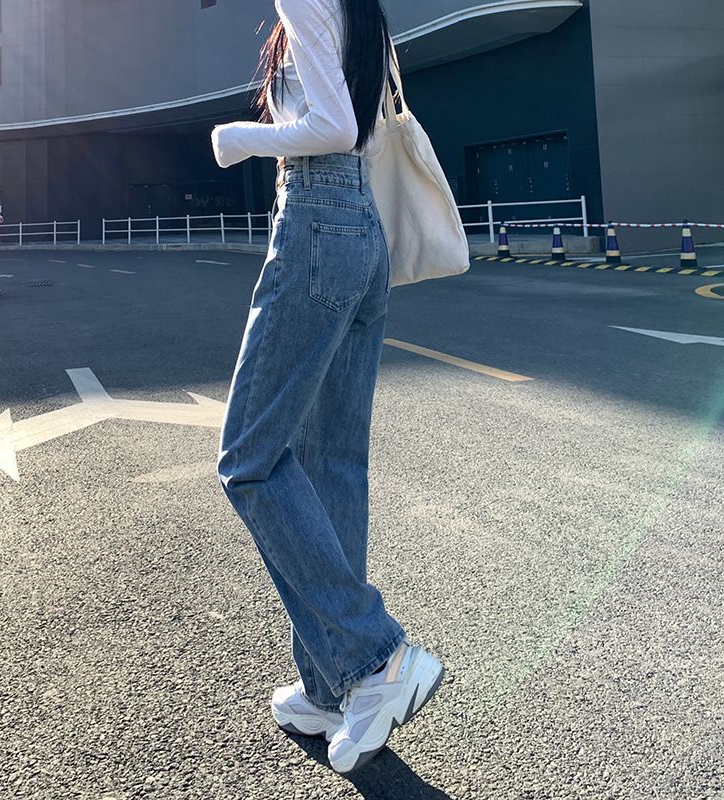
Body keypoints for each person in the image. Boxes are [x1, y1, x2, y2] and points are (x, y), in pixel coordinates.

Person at [212, 0, 443, 775]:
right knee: (330, 464)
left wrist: (238, 139)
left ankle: (374, 656)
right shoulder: (360, 8)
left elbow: (335, 128)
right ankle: (330, 685)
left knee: (246, 460)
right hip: (359, 230)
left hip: (317, 217)